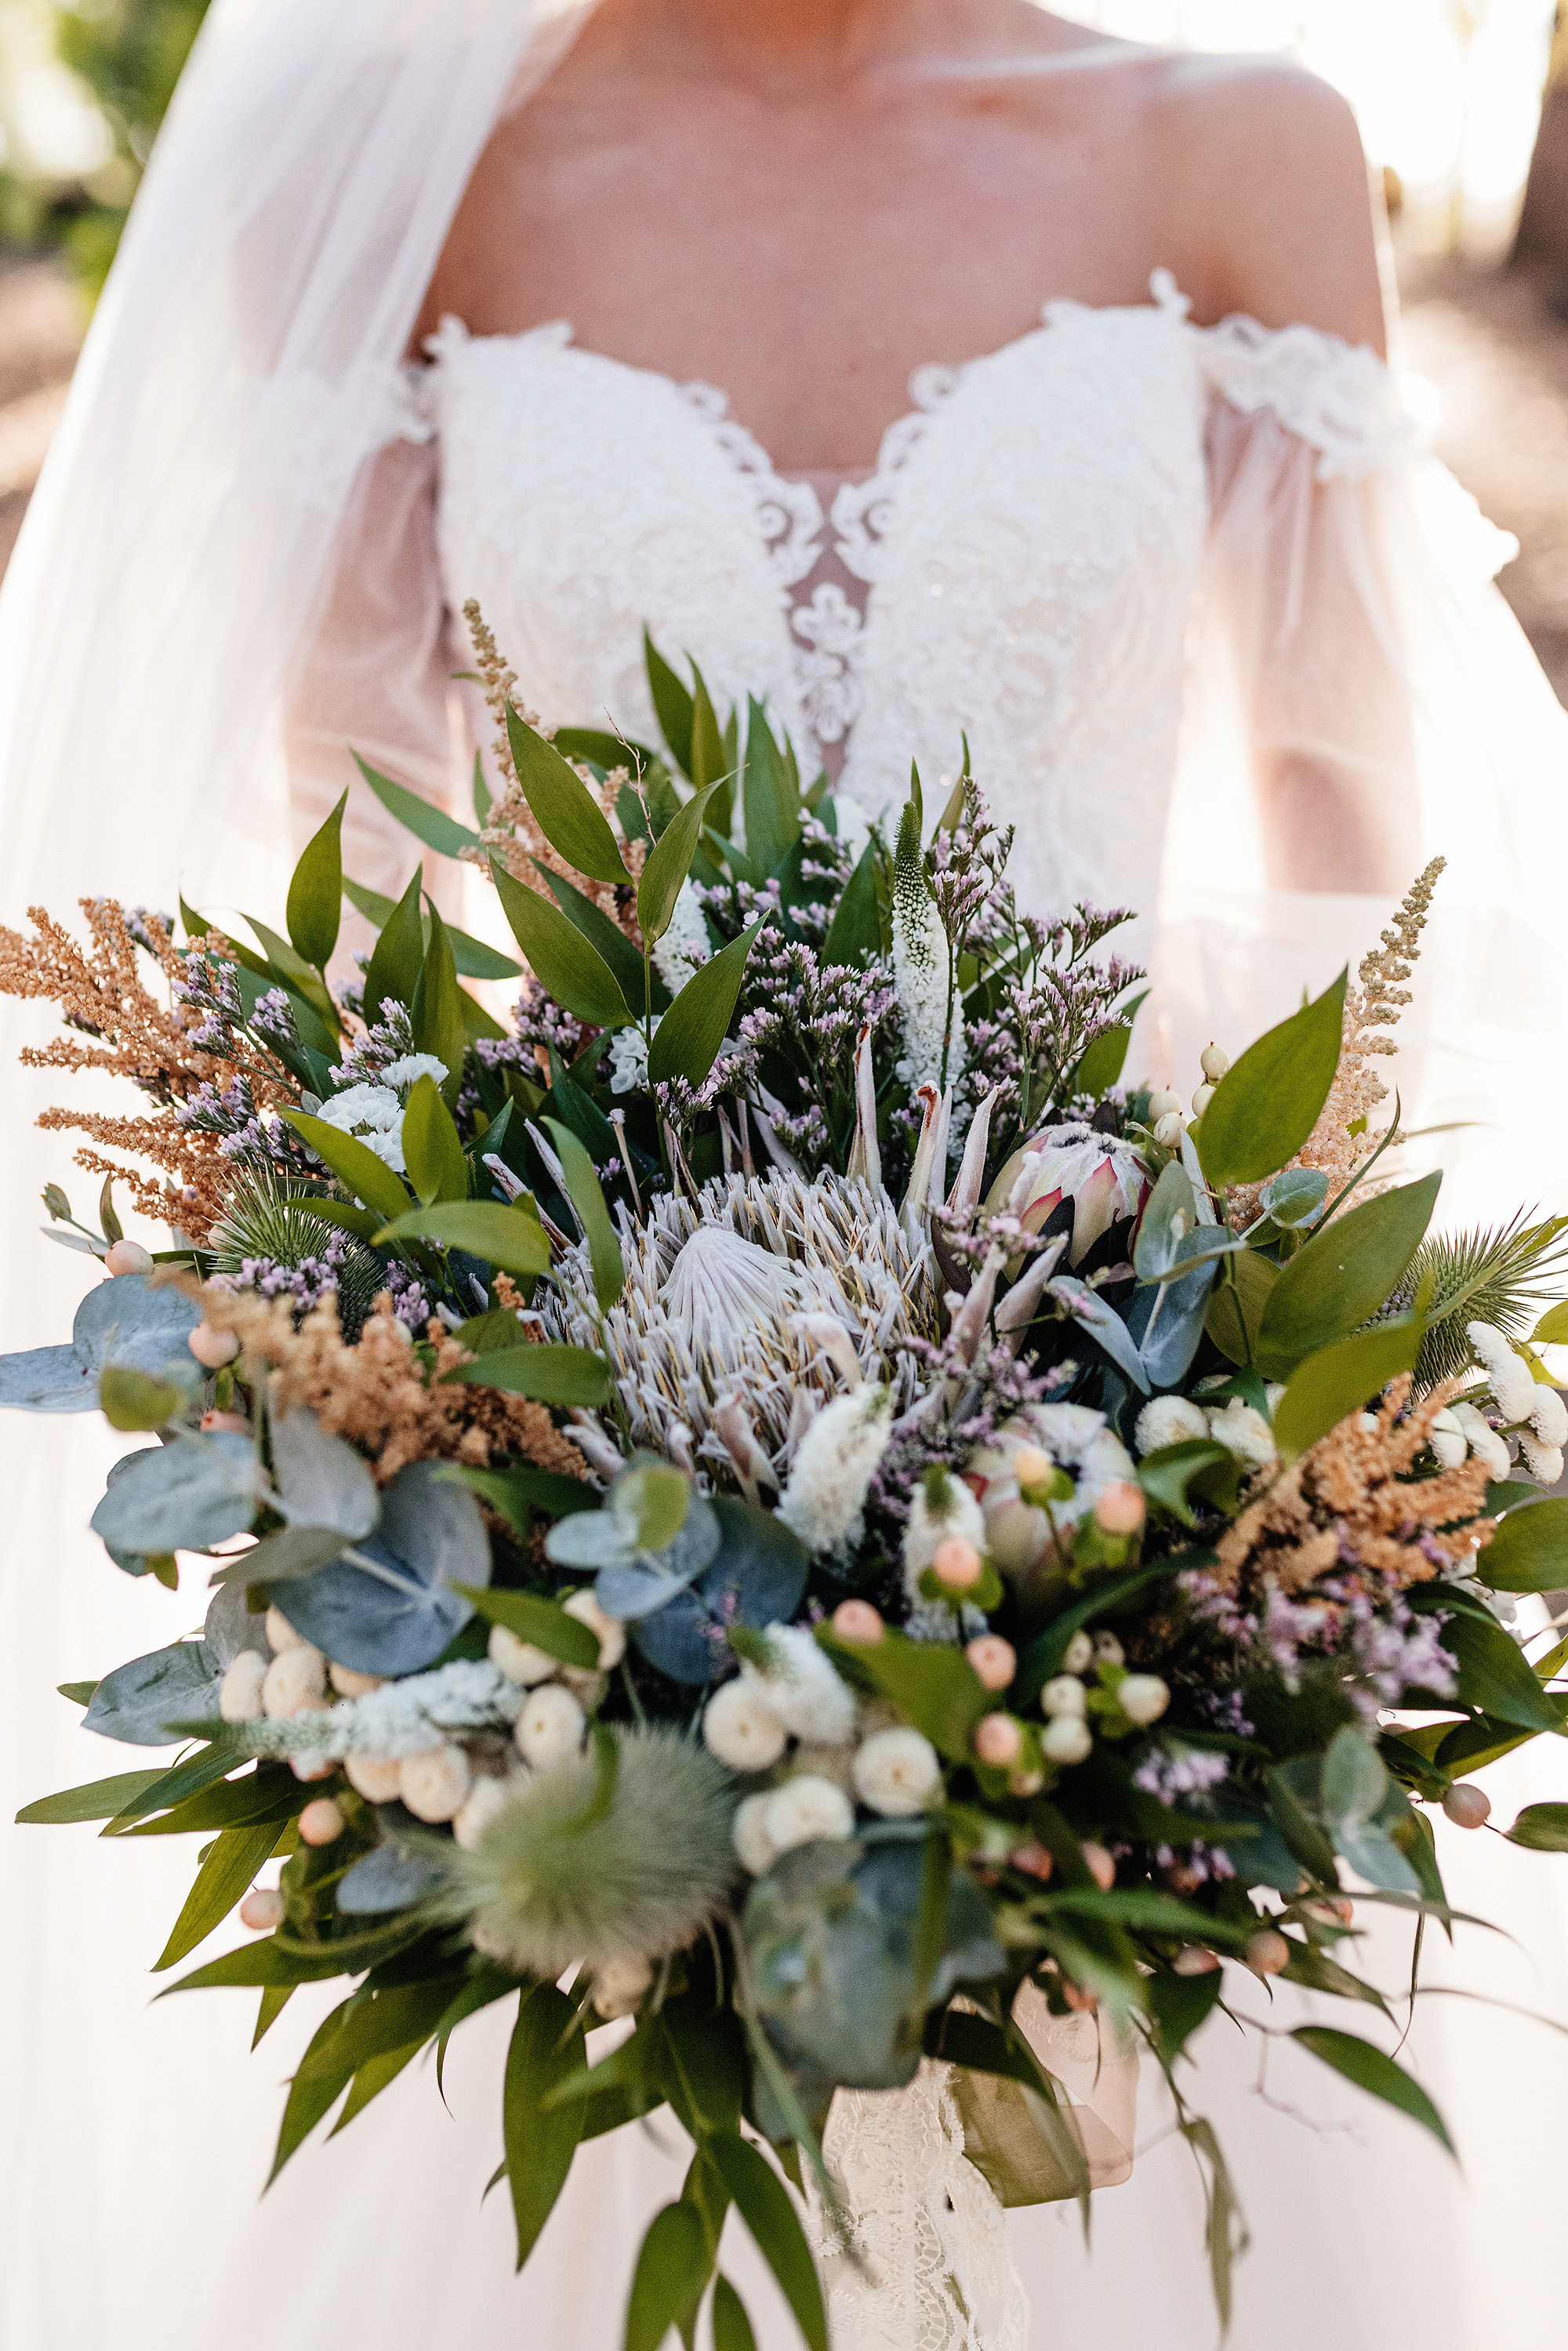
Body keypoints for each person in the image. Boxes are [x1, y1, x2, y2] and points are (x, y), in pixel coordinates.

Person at [2, 5, 1566, 2349]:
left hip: (1121, 1446)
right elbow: (360, 895)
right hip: (587, 1507)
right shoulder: (396, 181)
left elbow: (1354, 863)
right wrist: (471, 1491)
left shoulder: (1237, 145)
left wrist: (1244, 1468)